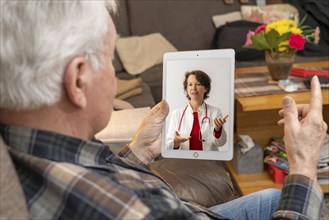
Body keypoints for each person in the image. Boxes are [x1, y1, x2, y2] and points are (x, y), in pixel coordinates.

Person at [0, 1, 326, 219]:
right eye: (111, 59)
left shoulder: (24, 145)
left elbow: (92, 175)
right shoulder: (143, 210)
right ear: (79, 79)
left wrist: (138, 152)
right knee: (293, 197)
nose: (114, 76)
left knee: (270, 198)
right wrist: (303, 166)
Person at [166, 70, 229, 151]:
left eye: (198, 84)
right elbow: (168, 146)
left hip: (208, 160)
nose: (193, 88)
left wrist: (218, 130)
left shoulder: (215, 112)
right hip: (184, 160)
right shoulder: (176, 114)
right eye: (190, 84)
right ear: (186, 88)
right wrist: (176, 142)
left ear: (206, 88)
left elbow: (221, 143)